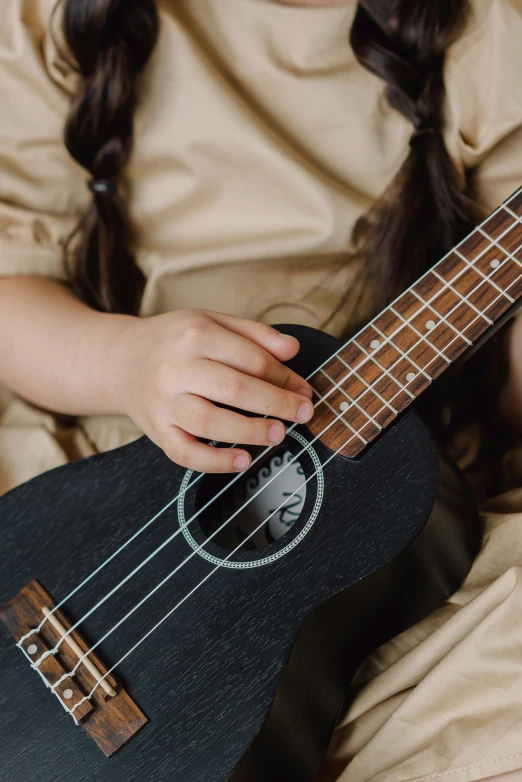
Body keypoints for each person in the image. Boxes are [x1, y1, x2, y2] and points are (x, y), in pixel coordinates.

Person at [1, 0, 522, 779]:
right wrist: (128, 362)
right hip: (121, 479)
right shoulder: (57, 17)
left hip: (407, 523)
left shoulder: (486, 27)